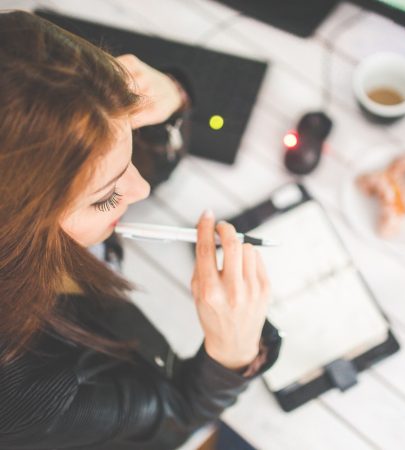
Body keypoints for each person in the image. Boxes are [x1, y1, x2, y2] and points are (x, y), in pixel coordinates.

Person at [0, 10, 281, 450]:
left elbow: (121, 163)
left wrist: (172, 98)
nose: (142, 188)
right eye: (106, 197)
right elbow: (176, 421)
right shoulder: (24, 392)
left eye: (126, 141)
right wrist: (232, 354)